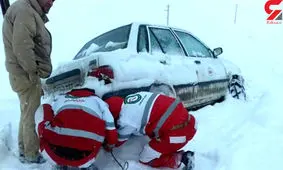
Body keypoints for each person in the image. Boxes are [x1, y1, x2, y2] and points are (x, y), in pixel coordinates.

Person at [2, 0, 54, 163]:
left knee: (27, 112)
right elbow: (22, 47)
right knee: (31, 114)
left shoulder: (26, 10)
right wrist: (33, 73)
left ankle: (24, 150)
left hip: (22, 73)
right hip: (26, 74)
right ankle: (32, 154)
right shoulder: (25, 11)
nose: (51, 2)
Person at [105, 91, 197, 170]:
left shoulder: (126, 119)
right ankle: (167, 150)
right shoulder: (132, 98)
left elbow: (118, 141)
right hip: (186, 119)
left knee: (145, 158)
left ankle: (181, 159)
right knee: (158, 140)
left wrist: (107, 145)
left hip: (179, 133)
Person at [35, 88, 118, 170]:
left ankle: (59, 162)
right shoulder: (99, 102)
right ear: (92, 94)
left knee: (45, 108)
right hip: (86, 156)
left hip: (53, 153)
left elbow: (49, 114)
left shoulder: (60, 98)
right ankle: (87, 166)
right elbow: (110, 127)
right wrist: (110, 145)